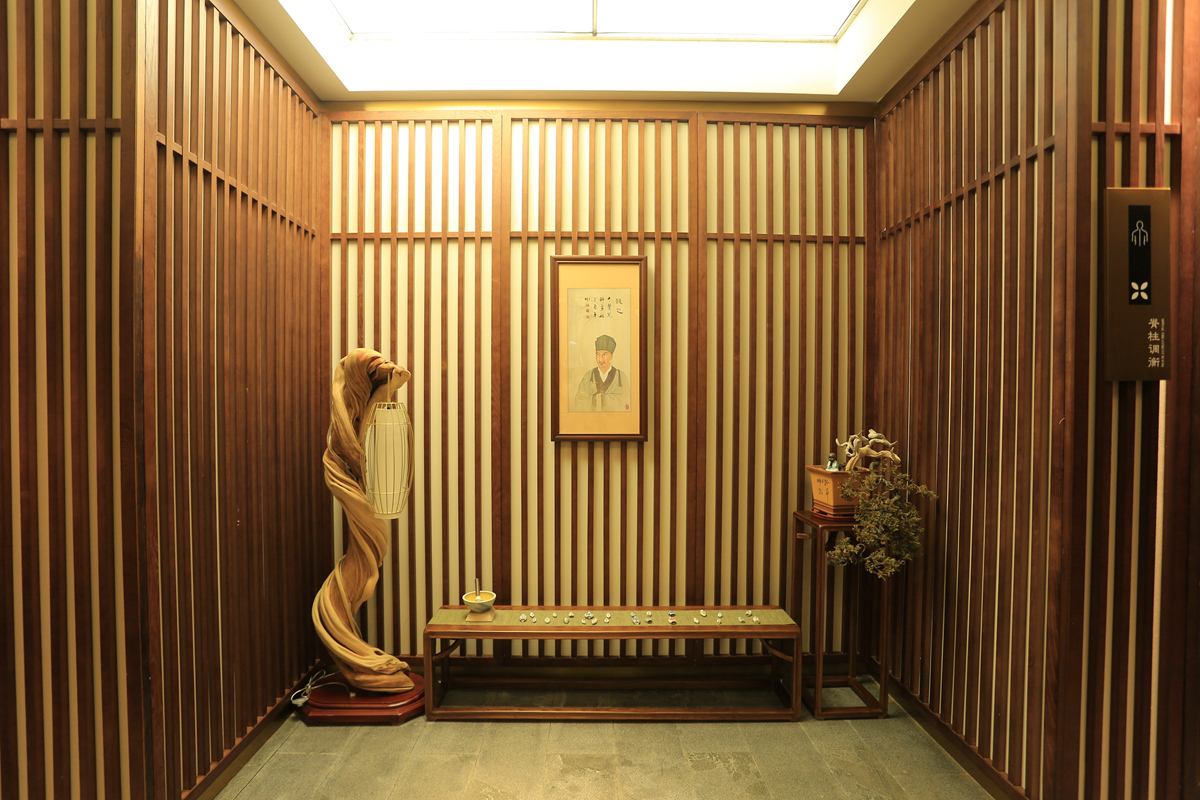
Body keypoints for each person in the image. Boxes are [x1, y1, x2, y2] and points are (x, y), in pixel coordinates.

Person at [573, 334, 630, 412]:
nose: (600, 359)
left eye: (604, 354)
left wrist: (599, 397)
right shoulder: (588, 376)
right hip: (591, 418)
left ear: (611, 356)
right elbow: (579, 400)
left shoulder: (620, 376)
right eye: (598, 354)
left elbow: (626, 401)